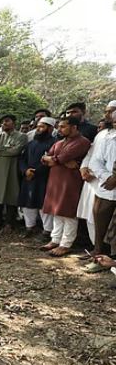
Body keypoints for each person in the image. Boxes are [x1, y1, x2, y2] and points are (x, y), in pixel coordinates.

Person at [40, 116, 91, 257]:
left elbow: (62, 157)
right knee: (57, 211)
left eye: (63, 127)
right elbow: (44, 158)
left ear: (74, 127)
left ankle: (66, 244)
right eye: (59, 126)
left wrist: (55, 160)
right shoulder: (59, 142)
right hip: (56, 180)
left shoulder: (82, 142)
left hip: (71, 182)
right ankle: (55, 239)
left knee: (68, 213)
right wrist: (54, 160)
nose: (59, 129)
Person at [79, 101, 116, 257]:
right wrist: (108, 177)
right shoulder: (103, 135)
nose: (108, 115)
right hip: (104, 184)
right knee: (98, 216)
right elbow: (95, 159)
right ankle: (98, 252)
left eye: (112, 112)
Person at [0, 115, 28, 231]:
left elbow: (16, 151)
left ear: (14, 123)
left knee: (11, 196)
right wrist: (6, 148)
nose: (4, 123)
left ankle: (9, 223)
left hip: (11, 170)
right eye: (2, 122)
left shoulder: (21, 136)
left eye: (7, 121)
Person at [18, 117, 56, 237]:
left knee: (43, 204)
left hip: (43, 178)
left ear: (50, 128)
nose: (38, 129)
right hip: (28, 177)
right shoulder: (31, 143)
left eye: (42, 127)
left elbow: (51, 161)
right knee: (27, 203)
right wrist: (25, 171)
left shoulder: (54, 143)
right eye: (37, 126)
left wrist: (35, 172)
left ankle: (47, 231)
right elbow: (22, 159)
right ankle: (30, 227)